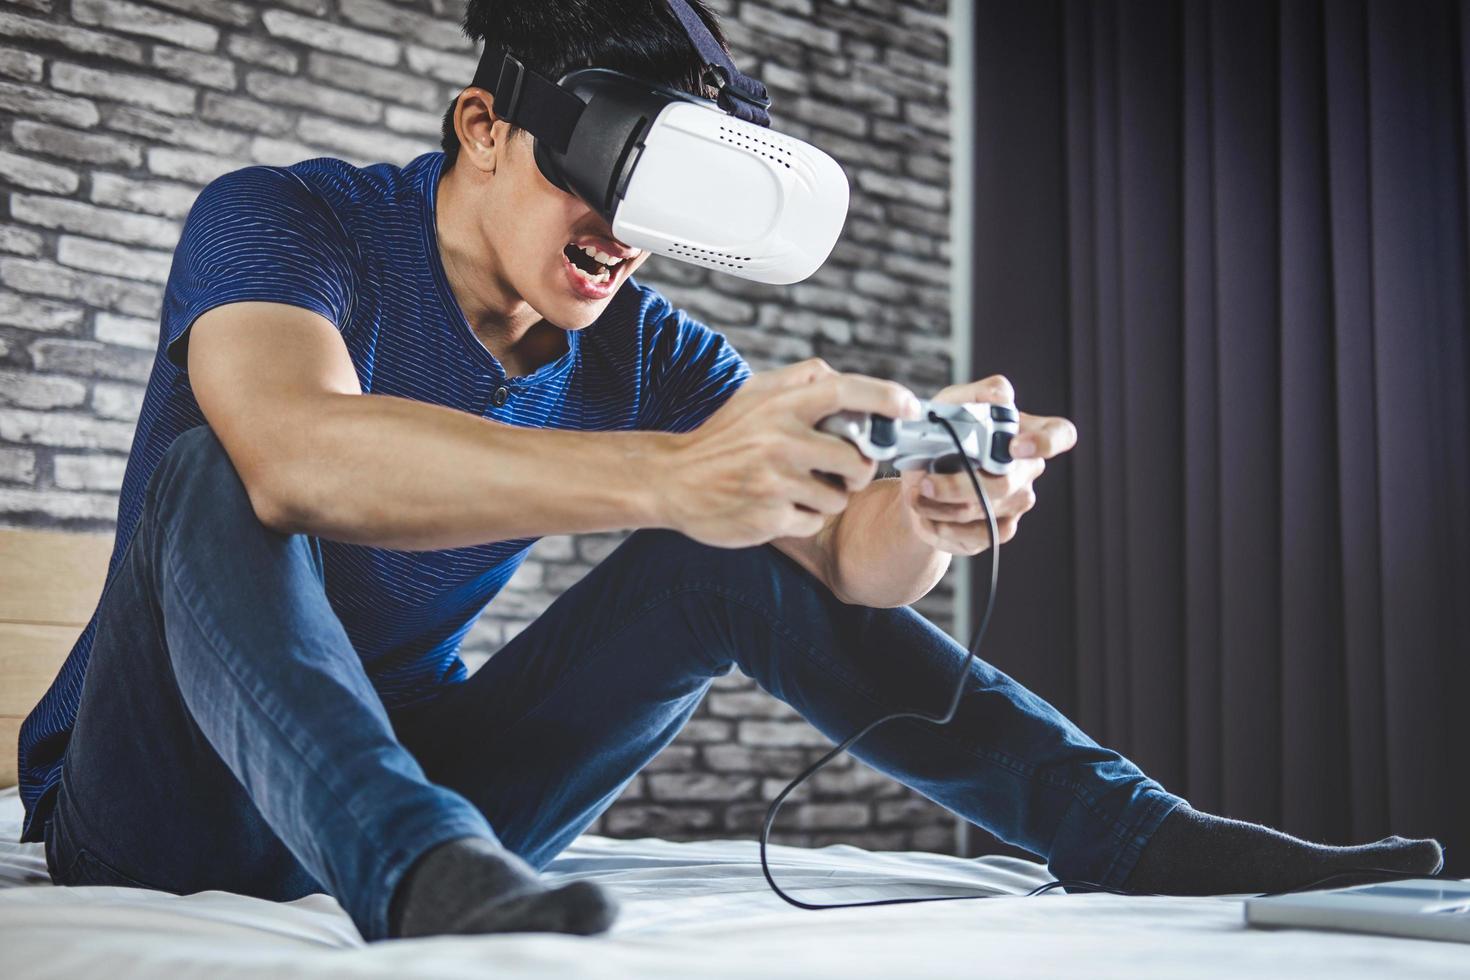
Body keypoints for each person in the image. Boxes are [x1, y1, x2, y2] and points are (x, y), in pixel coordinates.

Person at [17, 0, 1441, 943]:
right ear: (481, 128)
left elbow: (844, 570)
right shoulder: (293, 224)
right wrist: (669, 475)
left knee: (729, 547)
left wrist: (927, 509)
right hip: (158, 797)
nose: (627, 236)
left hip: (444, 770)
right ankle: (411, 876)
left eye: (661, 205)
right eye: (605, 181)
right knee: (216, 470)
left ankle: (1142, 838)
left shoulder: (648, 348)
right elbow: (290, 450)